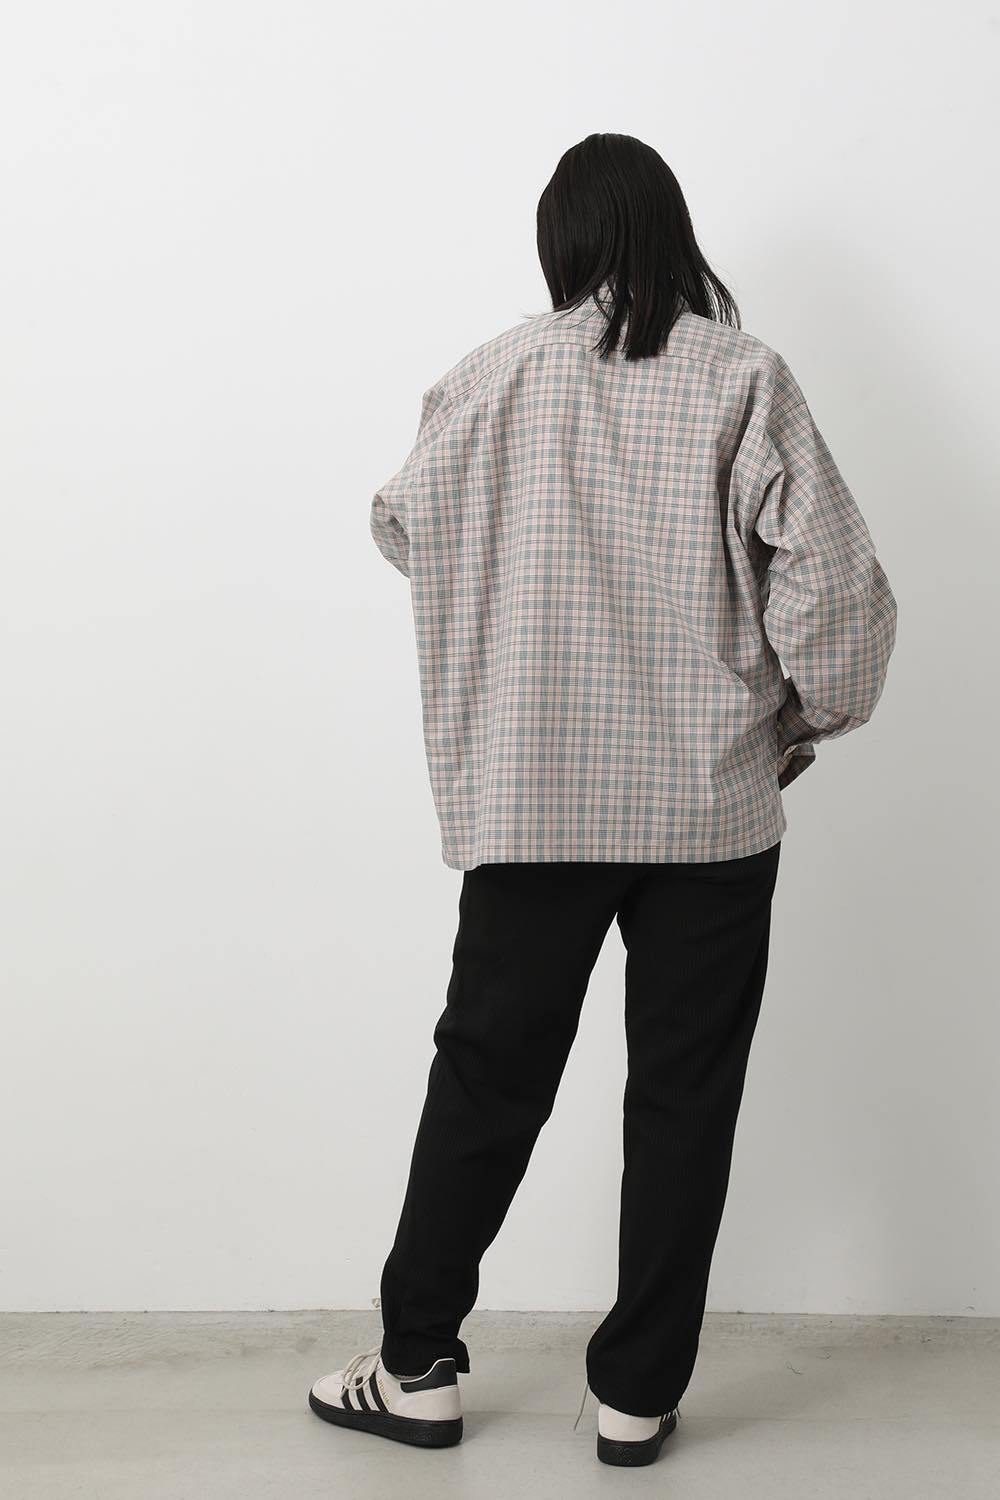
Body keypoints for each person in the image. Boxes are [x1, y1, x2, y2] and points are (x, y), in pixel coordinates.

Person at [308, 132, 898, 1468]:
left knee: (486, 1080)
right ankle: (637, 1395)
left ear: (562, 245)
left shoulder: (490, 376)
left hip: (534, 804)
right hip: (712, 812)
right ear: (672, 234)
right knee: (685, 1098)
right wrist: (797, 722)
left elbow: (398, 524)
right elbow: (841, 603)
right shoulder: (745, 377)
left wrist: (521, 573)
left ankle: (416, 1365)